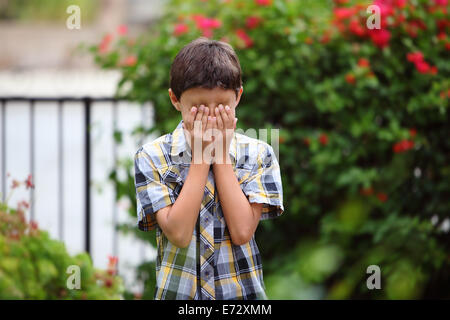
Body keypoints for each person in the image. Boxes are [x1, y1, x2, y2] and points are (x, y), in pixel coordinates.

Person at [134, 37, 284, 300]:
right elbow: (178, 233)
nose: (211, 117)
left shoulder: (259, 155)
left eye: (221, 106)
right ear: (175, 99)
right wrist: (201, 157)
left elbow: (242, 231)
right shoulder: (153, 157)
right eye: (199, 108)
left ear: (238, 96)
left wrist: (221, 156)